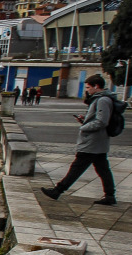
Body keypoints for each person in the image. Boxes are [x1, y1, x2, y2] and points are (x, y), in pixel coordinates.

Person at [41, 74, 116, 205]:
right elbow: (97, 119)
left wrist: (84, 127)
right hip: (98, 142)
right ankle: (110, 195)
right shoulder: (101, 99)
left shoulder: (103, 100)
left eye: (88, 87)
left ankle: (58, 190)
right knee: (103, 169)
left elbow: (102, 121)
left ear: (96, 86)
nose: (87, 90)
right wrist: (84, 119)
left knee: (77, 167)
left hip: (92, 141)